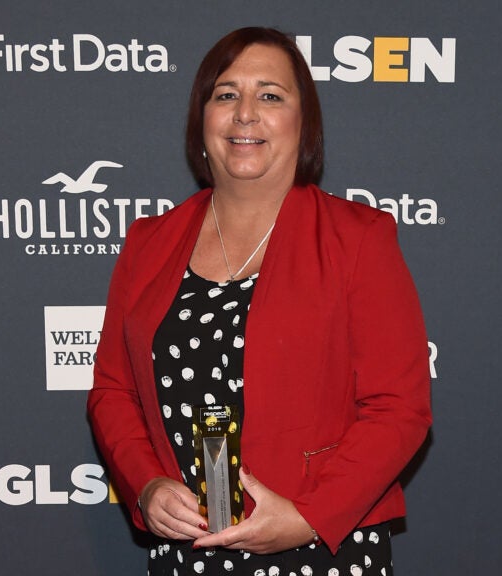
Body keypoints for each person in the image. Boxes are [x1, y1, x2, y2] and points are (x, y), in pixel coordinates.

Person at [87, 26, 432, 576]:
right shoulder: (147, 243)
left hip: (322, 550)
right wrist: (145, 485)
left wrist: (309, 516)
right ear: (202, 121)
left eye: (270, 95)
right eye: (226, 94)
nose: (245, 113)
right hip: (186, 554)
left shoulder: (359, 238)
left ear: (304, 122)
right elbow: (113, 389)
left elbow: (399, 407)